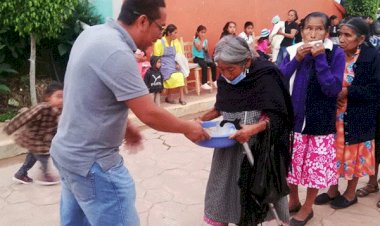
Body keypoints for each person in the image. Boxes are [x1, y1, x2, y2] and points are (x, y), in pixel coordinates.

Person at [50, 0, 209, 225]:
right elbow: (149, 113)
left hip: (68, 155)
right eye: (160, 28)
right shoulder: (117, 51)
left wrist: (125, 126)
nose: (160, 35)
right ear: (142, 21)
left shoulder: (93, 35)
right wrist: (188, 128)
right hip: (93, 165)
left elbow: (91, 93)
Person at [199, 35, 293, 226]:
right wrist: (199, 120)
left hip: (259, 149)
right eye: (221, 69)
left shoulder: (267, 76)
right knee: (222, 190)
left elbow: (280, 116)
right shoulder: (226, 78)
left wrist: (254, 129)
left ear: (247, 61)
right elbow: (221, 107)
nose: (226, 75)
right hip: (228, 147)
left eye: (231, 69)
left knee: (257, 193)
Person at [279, 12, 345, 225]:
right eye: (309, 28)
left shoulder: (335, 54)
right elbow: (279, 80)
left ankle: (308, 208)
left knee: (313, 169)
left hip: (320, 123)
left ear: (327, 32)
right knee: (291, 165)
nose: (313, 33)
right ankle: (294, 200)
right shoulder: (291, 51)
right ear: (302, 30)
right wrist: (297, 59)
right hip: (293, 121)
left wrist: (319, 59)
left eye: (319, 29)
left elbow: (332, 88)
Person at [315, 17, 380, 210]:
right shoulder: (335, 54)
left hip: (358, 116)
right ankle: (332, 189)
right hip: (334, 116)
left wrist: (348, 92)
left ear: (360, 39)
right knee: (333, 153)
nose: (341, 39)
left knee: (355, 154)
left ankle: (350, 193)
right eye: (340, 34)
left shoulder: (373, 56)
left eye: (347, 35)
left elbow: (376, 89)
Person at [4, 82, 63, 185]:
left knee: (33, 156)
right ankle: (46, 176)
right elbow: (24, 117)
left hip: (42, 139)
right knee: (43, 155)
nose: (61, 100)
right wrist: (9, 128)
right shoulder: (41, 108)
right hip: (34, 138)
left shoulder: (58, 110)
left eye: (63, 97)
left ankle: (20, 174)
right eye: (58, 96)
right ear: (48, 97)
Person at [153, 24, 187, 105]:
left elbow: (179, 54)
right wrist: (159, 65)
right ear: (169, 33)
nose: (176, 35)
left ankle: (181, 98)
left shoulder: (176, 42)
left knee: (181, 74)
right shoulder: (159, 42)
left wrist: (178, 63)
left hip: (173, 63)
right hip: (164, 64)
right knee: (174, 76)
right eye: (175, 33)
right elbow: (156, 57)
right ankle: (169, 97)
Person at [192, 25, 217, 90]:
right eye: (201, 32)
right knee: (204, 65)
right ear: (198, 32)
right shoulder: (195, 40)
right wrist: (202, 41)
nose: (203, 34)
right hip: (197, 58)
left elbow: (206, 50)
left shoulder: (206, 40)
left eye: (204, 33)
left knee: (213, 64)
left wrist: (205, 48)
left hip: (204, 58)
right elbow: (199, 49)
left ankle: (214, 80)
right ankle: (203, 83)